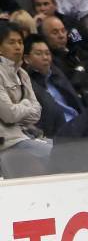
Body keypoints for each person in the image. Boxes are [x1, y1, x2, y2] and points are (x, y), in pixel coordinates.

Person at [0, 22, 51, 178]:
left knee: (62, 149)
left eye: (20, 42)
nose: (18, 47)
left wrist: (21, 109)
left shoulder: (22, 73)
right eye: (11, 42)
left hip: (27, 135)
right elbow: (9, 114)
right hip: (8, 142)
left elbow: (37, 113)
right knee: (56, 154)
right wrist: (27, 104)